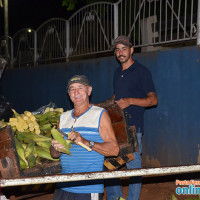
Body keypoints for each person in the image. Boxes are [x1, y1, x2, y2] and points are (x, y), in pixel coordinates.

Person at [104, 35, 158, 200]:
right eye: (117, 49)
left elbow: (153, 100)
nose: (120, 52)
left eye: (124, 49)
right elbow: (115, 97)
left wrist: (130, 101)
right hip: (116, 127)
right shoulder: (117, 72)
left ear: (131, 50)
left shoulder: (142, 71)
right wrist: (96, 107)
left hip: (133, 128)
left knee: (134, 169)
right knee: (109, 165)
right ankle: (115, 198)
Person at [50, 75, 119, 200]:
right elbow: (54, 155)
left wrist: (85, 141)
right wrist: (55, 148)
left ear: (89, 90)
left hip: (88, 187)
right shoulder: (63, 117)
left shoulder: (99, 114)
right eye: (72, 89)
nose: (76, 92)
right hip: (63, 185)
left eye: (80, 88)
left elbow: (114, 150)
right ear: (69, 93)